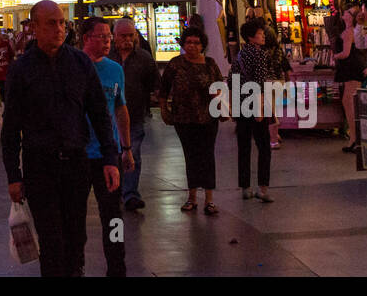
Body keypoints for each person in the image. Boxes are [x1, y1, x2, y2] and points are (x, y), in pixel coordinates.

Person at [2, 0, 119, 278]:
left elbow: (100, 114)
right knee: (52, 240)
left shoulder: (79, 63)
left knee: (75, 236)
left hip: (76, 163)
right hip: (40, 165)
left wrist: (110, 158)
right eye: (51, 23)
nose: (58, 29)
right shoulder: (22, 69)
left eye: (61, 23)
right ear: (34, 28)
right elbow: (11, 128)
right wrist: (13, 176)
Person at [75, 15, 132, 277]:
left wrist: (126, 146)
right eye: (102, 37)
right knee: (74, 215)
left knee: (114, 214)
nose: (108, 42)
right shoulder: (72, 66)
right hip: (78, 154)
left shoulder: (115, 69)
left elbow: (120, 107)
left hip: (107, 154)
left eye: (110, 37)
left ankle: (117, 265)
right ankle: (75, 264)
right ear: (86, 38)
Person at [158, 27, 223, 214]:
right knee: (191, 156)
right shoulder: (175, 64)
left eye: (196, 42)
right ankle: (192, 196)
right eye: (188, 42)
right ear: (183, 44)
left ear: (202, 45)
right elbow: (163, 90)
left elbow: (220, 88)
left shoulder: (210, 64)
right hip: (183, 118)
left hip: (208, 117)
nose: (192, 46)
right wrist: (164, 110)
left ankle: (209, 199)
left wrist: (219, 100)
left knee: (207, 156)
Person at [112, 17, 158, 211]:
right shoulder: (107, 57)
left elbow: (154, 84)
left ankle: (130, 194)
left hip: (134, 115)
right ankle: (117, 190)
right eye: (123, 36)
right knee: (114, 155)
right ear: (115, 37)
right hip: (110, 117)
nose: (128, 39)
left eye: (131, 35)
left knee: (133, 154)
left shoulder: (144, 58)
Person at [235, 19, 276, 202]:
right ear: (252, 37)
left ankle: (245, 187)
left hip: (240, 102)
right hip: (255, 103)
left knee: (244, 146)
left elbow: (231, 80)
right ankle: (263, 188)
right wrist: (260, 109)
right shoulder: (260, 55)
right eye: (260, 33)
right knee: (264, 146)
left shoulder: (240, 55)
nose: (263, 35)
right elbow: (259, 83)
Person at [330, 10, 365, 152]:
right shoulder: (348, 30)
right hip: (349, 68)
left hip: (351, 68)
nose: (344, 13)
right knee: (348, 101)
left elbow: (346, 53)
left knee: (350, 101)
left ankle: (355, 137)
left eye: (347, 12)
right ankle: (354, 136)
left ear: (350, 17)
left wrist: (335, 56)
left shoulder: (350, 31)